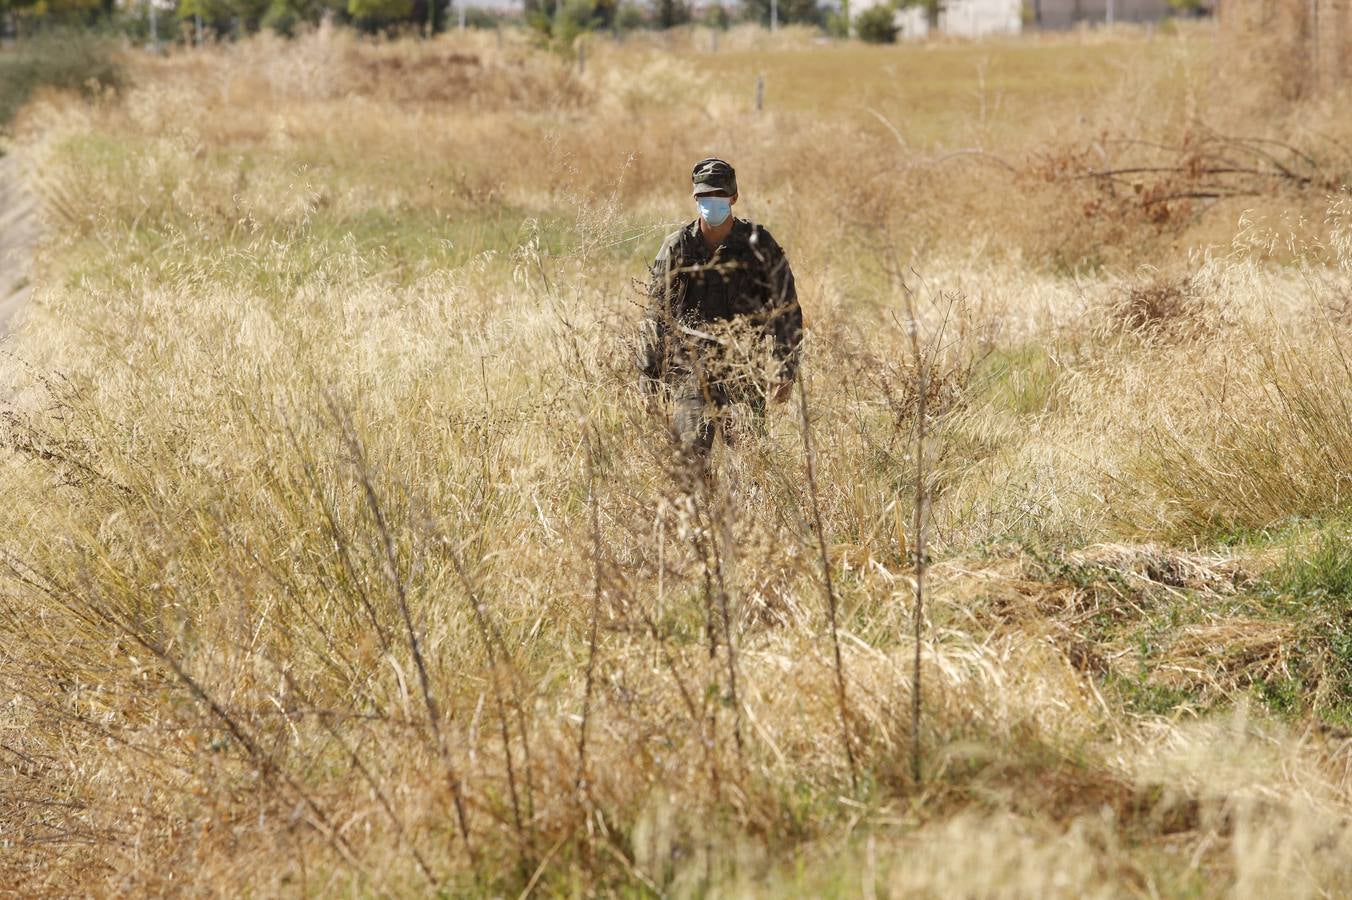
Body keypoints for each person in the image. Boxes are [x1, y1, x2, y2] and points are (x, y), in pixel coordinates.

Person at [638, 157, 803, 466]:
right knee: (689, 463)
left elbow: (786, 308)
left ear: (733, 198)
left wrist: (785, 367)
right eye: (704, 197)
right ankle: (703, 512)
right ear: (695, 199)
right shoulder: (677, 247)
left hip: (743, 370)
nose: (711, 203)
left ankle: (748, 516)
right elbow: (655, 315)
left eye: (718, 196)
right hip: (690, 371)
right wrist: (649, 377)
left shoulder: (759, 245)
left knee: (751, 464)